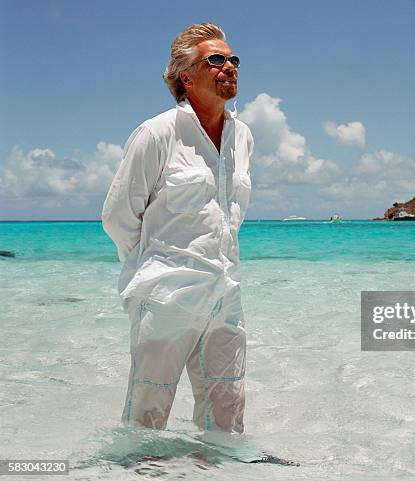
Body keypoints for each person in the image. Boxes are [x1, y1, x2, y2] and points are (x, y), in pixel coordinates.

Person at [101, 23, 253, 432]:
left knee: (228, 409)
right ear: (186, 76)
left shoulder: (243, 137)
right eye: (216, 60)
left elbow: (229, 216)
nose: (230, 67)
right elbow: (118, 216)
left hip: (225, 293)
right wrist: (152, 266)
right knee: (147, 414)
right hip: (167, 294)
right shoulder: (157, 133)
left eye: (233, 59)